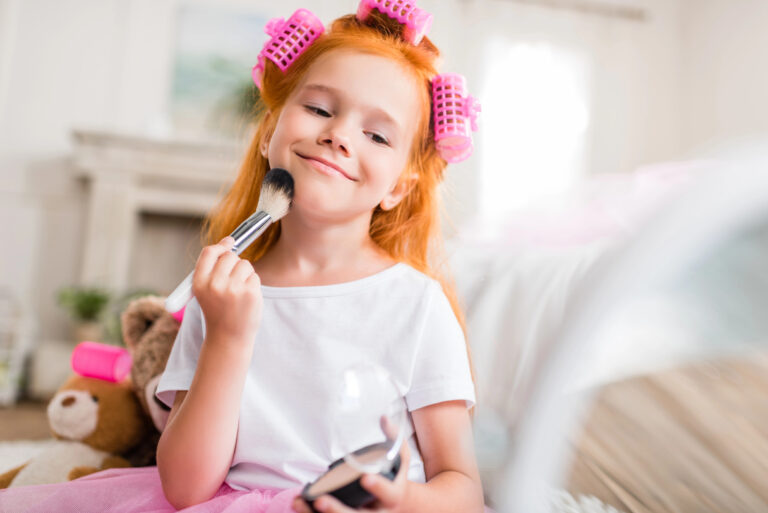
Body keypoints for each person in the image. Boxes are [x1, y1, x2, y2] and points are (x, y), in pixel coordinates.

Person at [0, 3, 483, 513]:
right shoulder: (223, 293)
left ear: (399, 188)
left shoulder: (416, 305)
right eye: (319, 109)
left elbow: (461, 485)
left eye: (378, 135)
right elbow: (185, 489)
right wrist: (228, 337)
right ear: (270, 129)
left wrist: (401, 502)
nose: (338, 134)